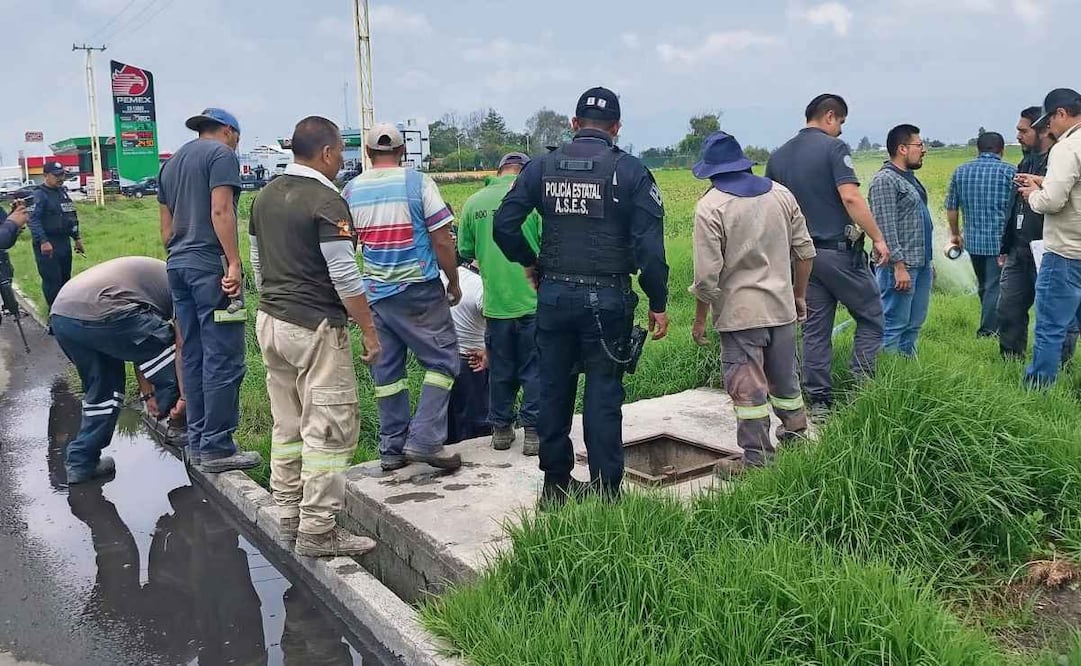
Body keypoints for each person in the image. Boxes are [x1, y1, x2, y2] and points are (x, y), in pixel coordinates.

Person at [494, 86, 670, 504]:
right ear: (616, 128)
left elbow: (504, 225)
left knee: (553, 390)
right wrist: (658, 302)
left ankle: (556, 485)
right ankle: (607, 490)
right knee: (603, 396)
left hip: (554, 297)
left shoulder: (541, 167)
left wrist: (529, 261)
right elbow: (650, 250)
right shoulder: (629, 172)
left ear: (574, 125)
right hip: (607, 300)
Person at [249, 116, 380, 558]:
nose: (342, 160)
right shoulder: (327, 201)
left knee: (287, 425)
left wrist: (272, 301)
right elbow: (344, 274)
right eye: (341, 151)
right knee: (328, 429)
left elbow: (256, 261)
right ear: (326, 153)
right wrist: (368, 328)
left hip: (271, 321)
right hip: (315, 328)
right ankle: (319, 530)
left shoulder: (265, 196)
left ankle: (287, 514)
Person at [689, 132, 814, 467]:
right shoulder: (782, 195)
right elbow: (804, 251)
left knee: (749, 392)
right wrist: (798, 295)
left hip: (740, 315)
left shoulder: (711, 207)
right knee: (786, 380)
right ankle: (796, 437)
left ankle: (757, 460)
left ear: (711, 172)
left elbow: (706, 277)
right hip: (782, 309)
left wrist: (701, 318)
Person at [342, 123, 463, 472]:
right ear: (402, 152)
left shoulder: (351, 191)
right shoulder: (418, 183)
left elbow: (346, 247)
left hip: (375, 295)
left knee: (388, 375)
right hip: (419, 291)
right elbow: (442, 239)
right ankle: (425, 439)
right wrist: (452, 281)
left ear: (367, 153)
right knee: (442, 362)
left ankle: (391, 449)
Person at [765, 93, 889, 418]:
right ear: (830, 116)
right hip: (837, 253)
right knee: (872, 317)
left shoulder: (777, 158)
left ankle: (819, 402)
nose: (841, 131)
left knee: (816, 330)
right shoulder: (833, 149)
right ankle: (863, 391)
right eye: (841, 123)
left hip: (802, 259)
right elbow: (850, 197)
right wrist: (878, 238)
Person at [158, 107, 261, 473]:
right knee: (224, 356)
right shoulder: (222, 156)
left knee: (194, 354)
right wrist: (233, 262)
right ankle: (217, 447)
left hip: (179, 267)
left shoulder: (170, 164)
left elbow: (166, 231)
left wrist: (182, 254)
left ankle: (200, 439)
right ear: (230, 131)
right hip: (211, 270)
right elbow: (221, 211)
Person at [49, 256, 185, 484]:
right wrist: (178, 397)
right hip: (107, 311)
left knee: (104, 392)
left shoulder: (150, 283)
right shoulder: (182, 287)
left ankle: (81, 463)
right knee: (171, 351)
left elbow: (137, 345)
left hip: (64, 317)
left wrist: (148, 394)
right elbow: (177, 344)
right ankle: (180, 425)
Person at [457, 152, 543, 454]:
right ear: (525, 173)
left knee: (501, 371)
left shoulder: (474, 203)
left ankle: (502, 431)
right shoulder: (535, 201)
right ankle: (532, 433)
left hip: (495, 305)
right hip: (533, 302)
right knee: (534, 370)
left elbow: (465, 249)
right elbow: (548, 245)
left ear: (499, 170)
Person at [998, 106, 1078, 363]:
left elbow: (1056, 200)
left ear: (1043, 129)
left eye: (1023, 130)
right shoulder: (1026, 161)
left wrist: (1037, 189)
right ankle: (1010, 360)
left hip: (1049, 248)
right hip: (1018, 249)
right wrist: (1005, 245)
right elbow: (1015, 206)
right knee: (1009, 308)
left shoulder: (1061, 158)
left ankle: (1058, 366)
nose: (1019, 136)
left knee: (1057, 315)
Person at [1018, 88, 1081, 387]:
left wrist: (1033, 194)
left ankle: (1039, 391)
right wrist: (1045, 180)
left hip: (1065, 254)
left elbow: (1053, 201)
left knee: (1050, 327)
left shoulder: (1066, 148)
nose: (1048, 129)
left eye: (1050, 121)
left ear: (1061, 114)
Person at [868, 125, 933, 357]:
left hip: (919, 263)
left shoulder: (909, 179)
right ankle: (887, 378)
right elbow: (884, 228)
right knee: (893, 324)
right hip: (900, 267)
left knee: (913, 324)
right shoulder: (885, 180)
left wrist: (928, 261)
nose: (923, 150)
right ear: (902, 149)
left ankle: (906, 372)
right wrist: (898, 265)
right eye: (919, 145)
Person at [945, 131, 1017, 337]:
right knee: (994, 286)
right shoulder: (1010, 172)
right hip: (1000, 243)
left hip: (973, 242)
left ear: (978, 149)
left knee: (984, 284)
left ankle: (991, 323)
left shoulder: (961, 172)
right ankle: (988, 331)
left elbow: (952, 208)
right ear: (1001, 150)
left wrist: (955, 234)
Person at [442, 256, 490, 445]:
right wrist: (489, 352)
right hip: (473, 363)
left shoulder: (446, 276)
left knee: (448, 428)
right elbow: (497, 326)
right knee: (475, 433)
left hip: (442, 361)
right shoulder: (482, 287)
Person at [30, 161, 85, 309]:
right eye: (56, 175)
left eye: (62, 175)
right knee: (52, 281)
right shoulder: (39, 195)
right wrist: (43, 241)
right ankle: (53, 314)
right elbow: (33, 220)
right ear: (46, 176)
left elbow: (70, 217)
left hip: (63, 242)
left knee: (65, 280)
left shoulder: (62, 192)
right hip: (48, 244)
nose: (60, 178)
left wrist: (77, 238)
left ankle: (65, 313)